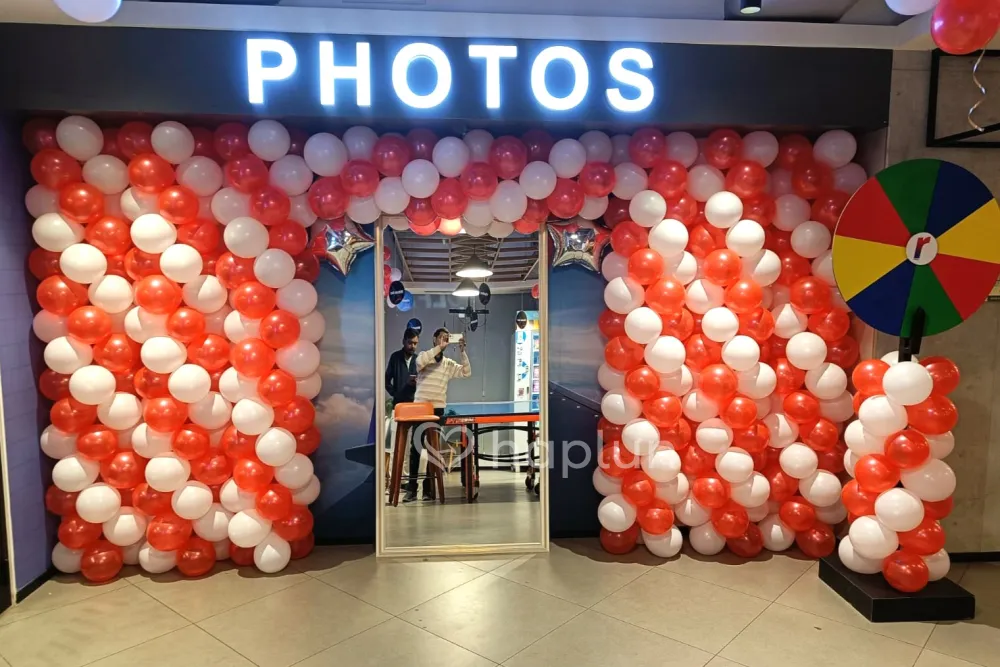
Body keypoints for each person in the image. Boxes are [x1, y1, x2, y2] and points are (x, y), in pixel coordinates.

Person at [405, 327, 472, 501]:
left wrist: (463, 352)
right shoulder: (424, 356)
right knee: (415, 449)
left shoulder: (448, 364)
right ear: (434, 339)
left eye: (446, 338)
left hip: (437, 409)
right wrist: (439, 348)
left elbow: (466, 372)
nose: (444, 340)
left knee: (432, 450)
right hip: (420, 408)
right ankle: (412, 490)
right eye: (441, 337)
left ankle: (429, 490)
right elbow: (418, 364)